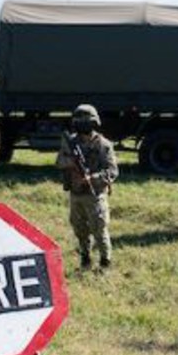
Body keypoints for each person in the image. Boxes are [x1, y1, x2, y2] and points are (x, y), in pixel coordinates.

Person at [56, 104, 118, 269]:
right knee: (79, 229)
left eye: (86, 122)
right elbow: (59, 161)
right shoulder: (70, 143)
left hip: (95, 194)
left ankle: (105, 262)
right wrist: (71, 163)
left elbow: (112, 171)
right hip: (76, 193)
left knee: (99, 229)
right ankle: (85, 258)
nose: (82, 125)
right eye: (79, 122)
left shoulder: (103, 145)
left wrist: (92, 178)